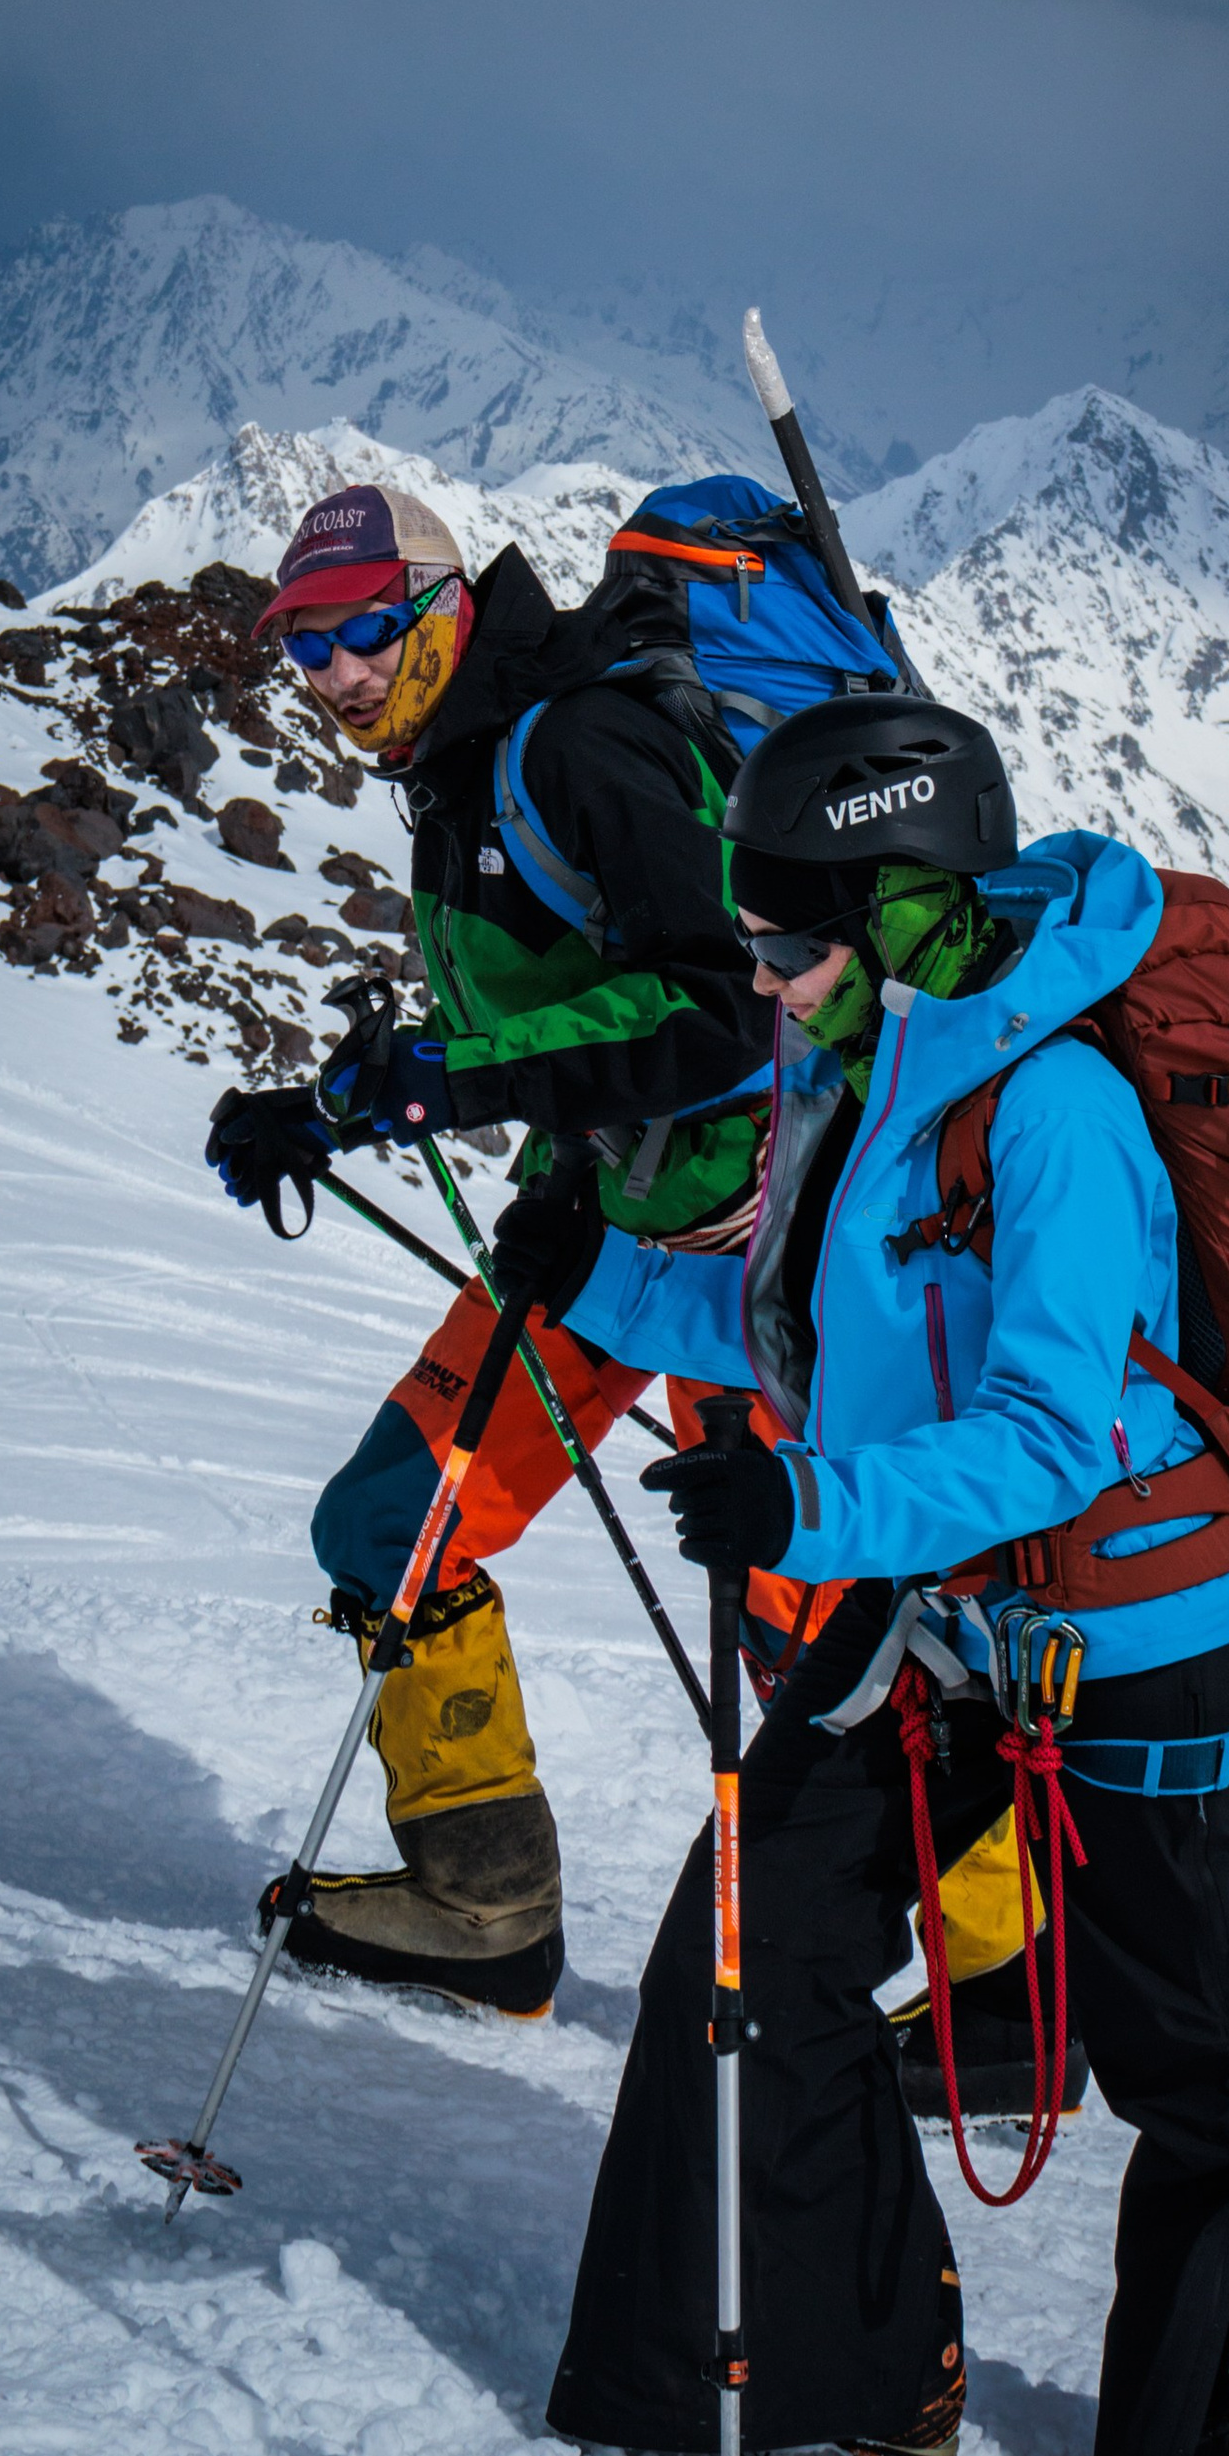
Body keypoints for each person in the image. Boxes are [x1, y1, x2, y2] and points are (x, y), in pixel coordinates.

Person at [530, 693, 1229, 2456]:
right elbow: (799, 1342)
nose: (763, 981)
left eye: (789, 939)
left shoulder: (1060, 1107)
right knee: (750, 1937)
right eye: (753, 940)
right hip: (951, 1621)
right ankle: (863, 2363)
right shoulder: (872, 1072)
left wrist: (814, 1504)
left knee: (1201, 2060)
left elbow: (1050, 1431)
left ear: (907, 908)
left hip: (1132, 1630)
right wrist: (592, 1274)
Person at [205, 476, 781, 2016]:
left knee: (823, 1626)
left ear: (442, 608)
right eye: (302, 648)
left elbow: (720, 1009)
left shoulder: (578, 742)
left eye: (356, 633)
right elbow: (513, 1043)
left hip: (751, 1252)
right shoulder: (457, 778)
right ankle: (486, 1903)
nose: (329, 675)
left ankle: (999, 1968)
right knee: (391, 1524)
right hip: (597, 1230)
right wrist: (321, 1115)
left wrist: (447, 1083)